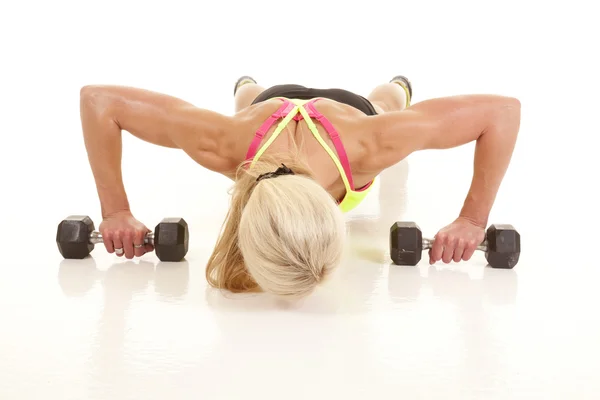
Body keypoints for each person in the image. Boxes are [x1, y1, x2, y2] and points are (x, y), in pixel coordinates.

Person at [79, 75, 521, 298]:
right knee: (246, 103)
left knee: (385, 103)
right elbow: (98, 102)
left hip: (349, 115)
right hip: (267, 110)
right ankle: (247, 87)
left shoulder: (374, 143)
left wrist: (472, 220)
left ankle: (396, 86)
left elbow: (501, 112)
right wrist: (114, 211)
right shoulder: (225, 144)